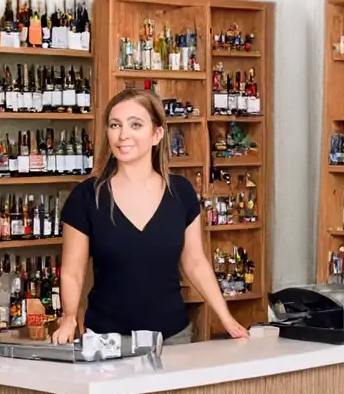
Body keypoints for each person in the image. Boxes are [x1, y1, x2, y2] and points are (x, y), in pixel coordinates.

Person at [52, 88, 249, 346]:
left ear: (157, 134)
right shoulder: (87, 196)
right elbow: (72, 272)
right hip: (107, 341)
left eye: (135, 125)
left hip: (173, 339)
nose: (123, 135)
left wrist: (226, 318)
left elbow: (195, 261)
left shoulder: (181, 192)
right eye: (115, 125)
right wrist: (68, 317)